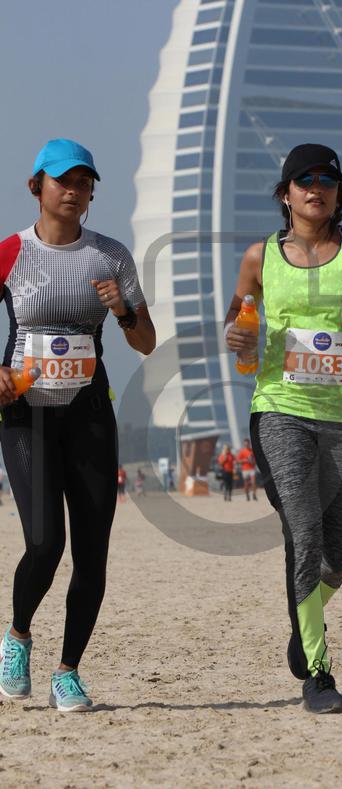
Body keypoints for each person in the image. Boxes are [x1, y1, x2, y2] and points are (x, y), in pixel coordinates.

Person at [225, 143, 342, 713]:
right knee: (302, 532)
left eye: (327, 180)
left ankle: (303, 628)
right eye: (305, 180)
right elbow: (237, 319)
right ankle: (319, 676)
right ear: (286, 194)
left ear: (338, 193)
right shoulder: (259, 257)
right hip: (281, 407)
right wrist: (239, 337)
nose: (316, 188)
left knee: (337, 556)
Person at [0, 139, 155, 711]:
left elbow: (146, 342)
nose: (74, 190)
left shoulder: (111, 256)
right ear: (36, 186)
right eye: (63, 180)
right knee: (45, 543)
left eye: (84, 182)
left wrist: (123, 311)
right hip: (26, 415)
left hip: (89, 414)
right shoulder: (10, 252)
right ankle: (17, 637)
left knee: (92, 552)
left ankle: (67, 672)